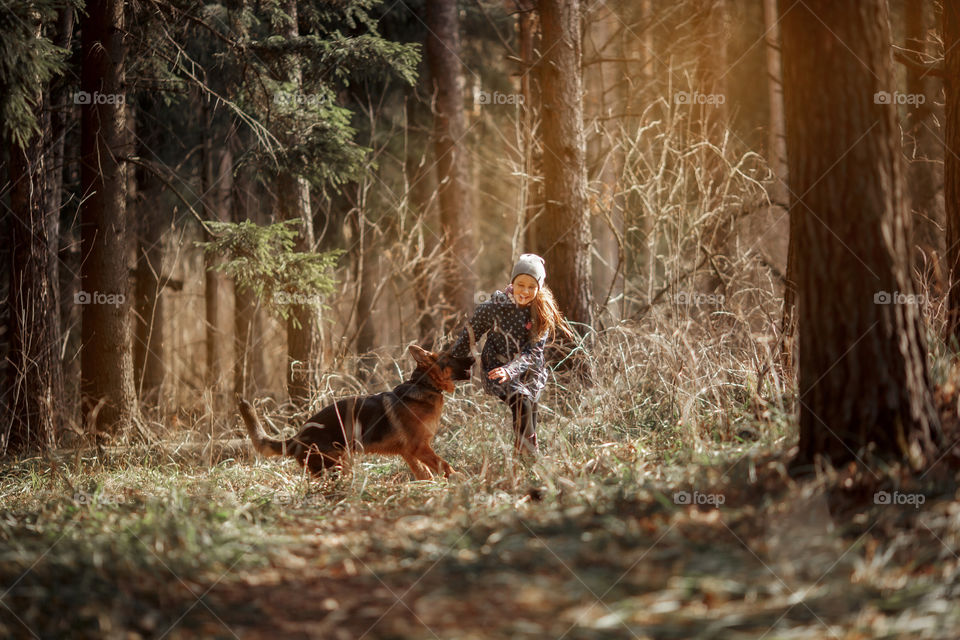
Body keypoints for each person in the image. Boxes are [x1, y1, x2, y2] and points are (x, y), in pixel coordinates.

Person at [448, 253, 575, 454]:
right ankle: (531, 457)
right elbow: (470, 334)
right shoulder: (494, 307)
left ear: (539, 288)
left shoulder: (541, 312)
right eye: (521, 284)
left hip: (529, 372)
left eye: (532, 287)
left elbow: (533, 352)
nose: (525, 291)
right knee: (522, 402)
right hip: (497, 368)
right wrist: (451, 360)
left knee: (530, 411)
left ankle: (521, 456)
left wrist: (512, 370)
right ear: (512, 282)